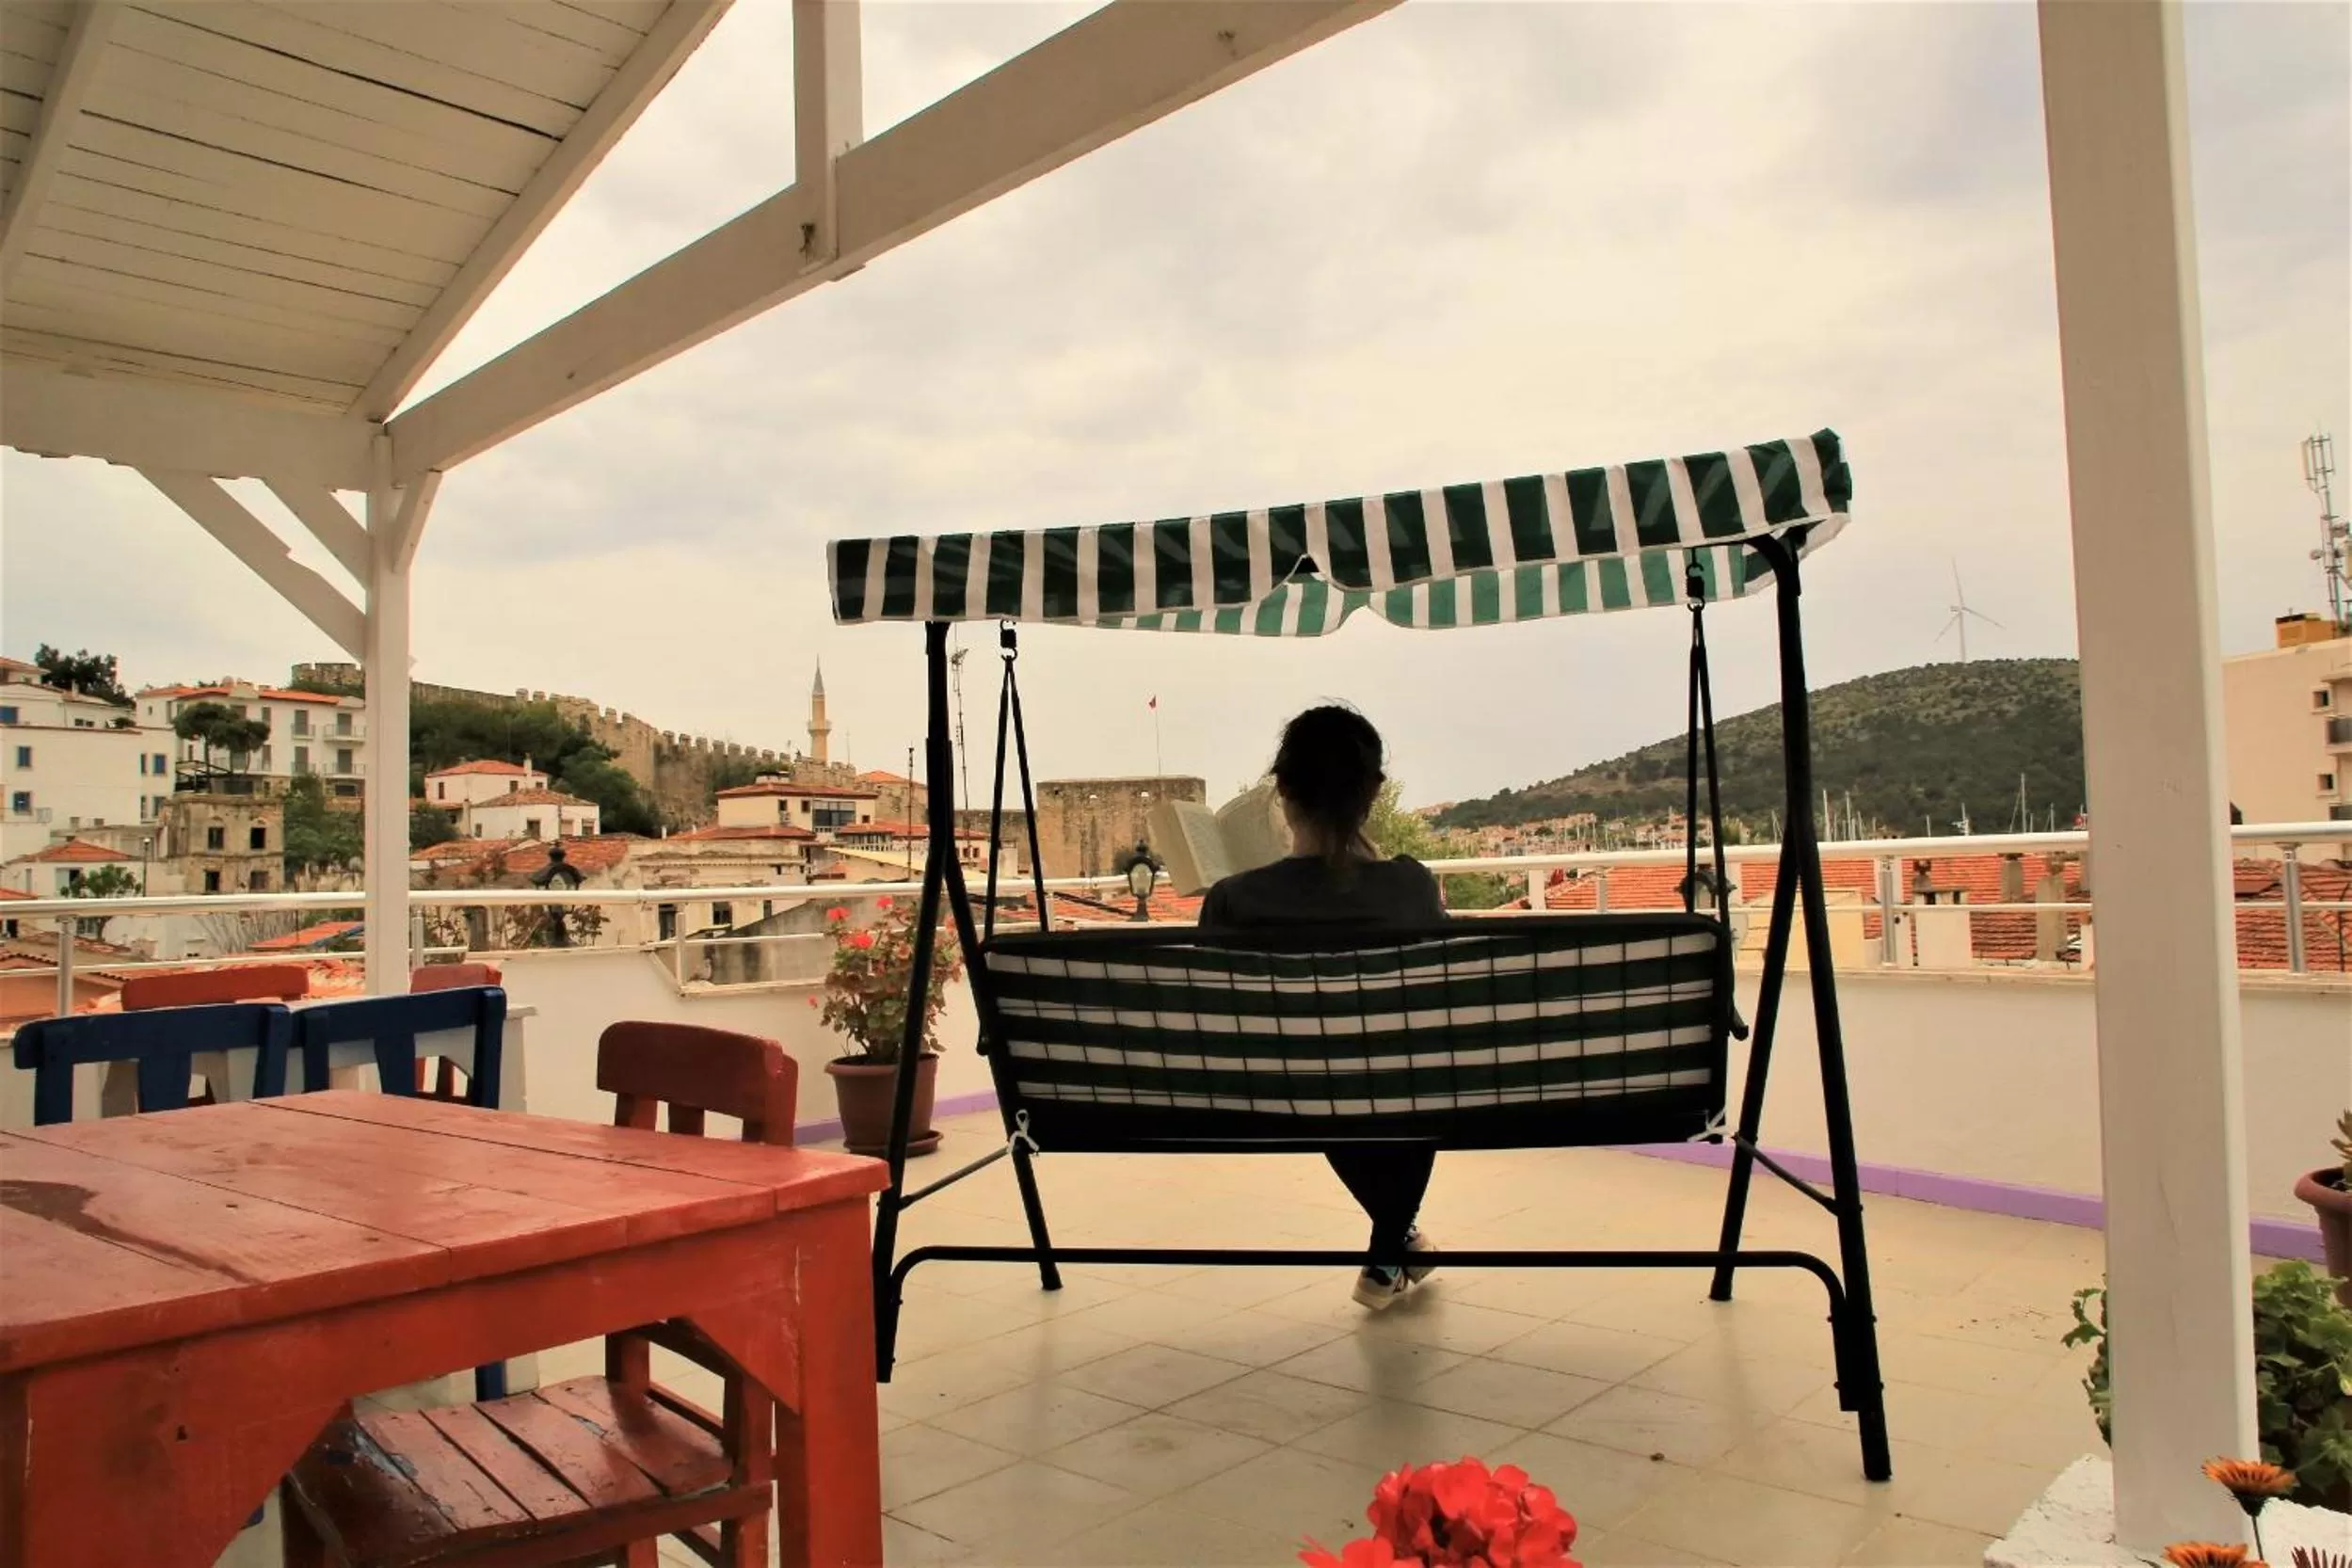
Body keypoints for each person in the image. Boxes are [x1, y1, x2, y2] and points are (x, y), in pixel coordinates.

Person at [1197, 704, 1447, 1309]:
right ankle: (1393, 1241)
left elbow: (1211, 1016)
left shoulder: (1235, 898)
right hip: (1404, 1090)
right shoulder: (1413, 887)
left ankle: (1396, 1239)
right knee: (1401, 1078)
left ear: (1282, 791)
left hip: (1278, 1092)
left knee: (1321, 1076)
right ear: (1374, 792)